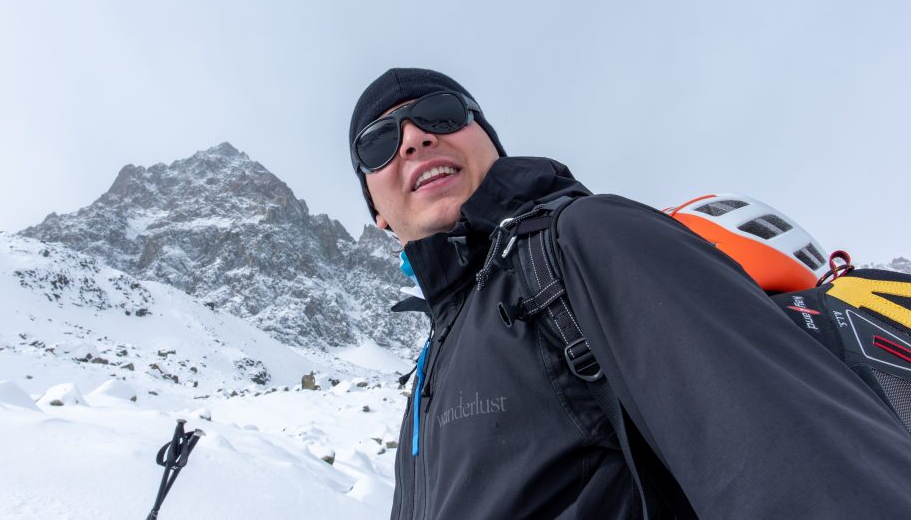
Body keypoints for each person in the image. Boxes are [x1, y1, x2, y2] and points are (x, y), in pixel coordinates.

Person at [348, 68, 911, 519]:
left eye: (440, 115)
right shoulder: (429, 375)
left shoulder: (583, 239)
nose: (416, 138)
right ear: (376, 213)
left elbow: (799, 469)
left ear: (488, 142)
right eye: (379, 141)